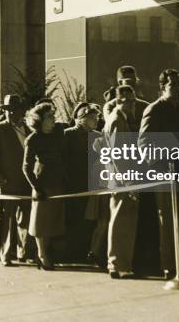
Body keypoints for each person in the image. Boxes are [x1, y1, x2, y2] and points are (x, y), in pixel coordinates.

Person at [139, 69, 179, 279]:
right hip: (165, 172)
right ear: (162, 87)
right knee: (168, 220)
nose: (178, 88)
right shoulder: (154, 110)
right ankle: (169, 266)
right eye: (173, 85)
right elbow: (144, 144)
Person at [0, 94, 32, 266]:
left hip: (26, 182)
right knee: (5, 220)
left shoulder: (29, 130)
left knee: (25, 218)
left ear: (22, 112)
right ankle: (4, 253)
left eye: (14, 110)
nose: (10, 114)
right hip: (6, 182)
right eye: (7, 110)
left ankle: (23, 251)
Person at [105, 85, 144, 279]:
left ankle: (120, 263)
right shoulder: (117, 120)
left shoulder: (121, 119)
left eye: (134, 101)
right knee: (122, 221)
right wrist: (129, 182)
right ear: (120, 101)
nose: (133, 105)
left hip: (123, 178)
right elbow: (118, 154)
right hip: (123, 179)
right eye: (129, 101)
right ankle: (118, 264)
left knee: (124, 221)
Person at [23, 102, 66, 271]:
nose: (53, 119)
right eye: (49, 117)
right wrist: (37, 187)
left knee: (52, 221)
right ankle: (41, 255)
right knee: (41, 222)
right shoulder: (33, 138)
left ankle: (45, 253)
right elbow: (26, 167)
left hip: (57, 181)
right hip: (43, 183)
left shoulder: (56, 134)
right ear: (39, 119)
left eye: (53, 116)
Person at [62, 102, 101, 263]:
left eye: (97, 117)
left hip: (92, 184)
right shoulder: (68, 134)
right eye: (92, 117)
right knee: (73, 220)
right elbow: (63, 160)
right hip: (73, 185)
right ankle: (73, 253)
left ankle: (86, 252)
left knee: (89, 221)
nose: (96, 120)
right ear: (81, 118)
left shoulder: (98, 136)